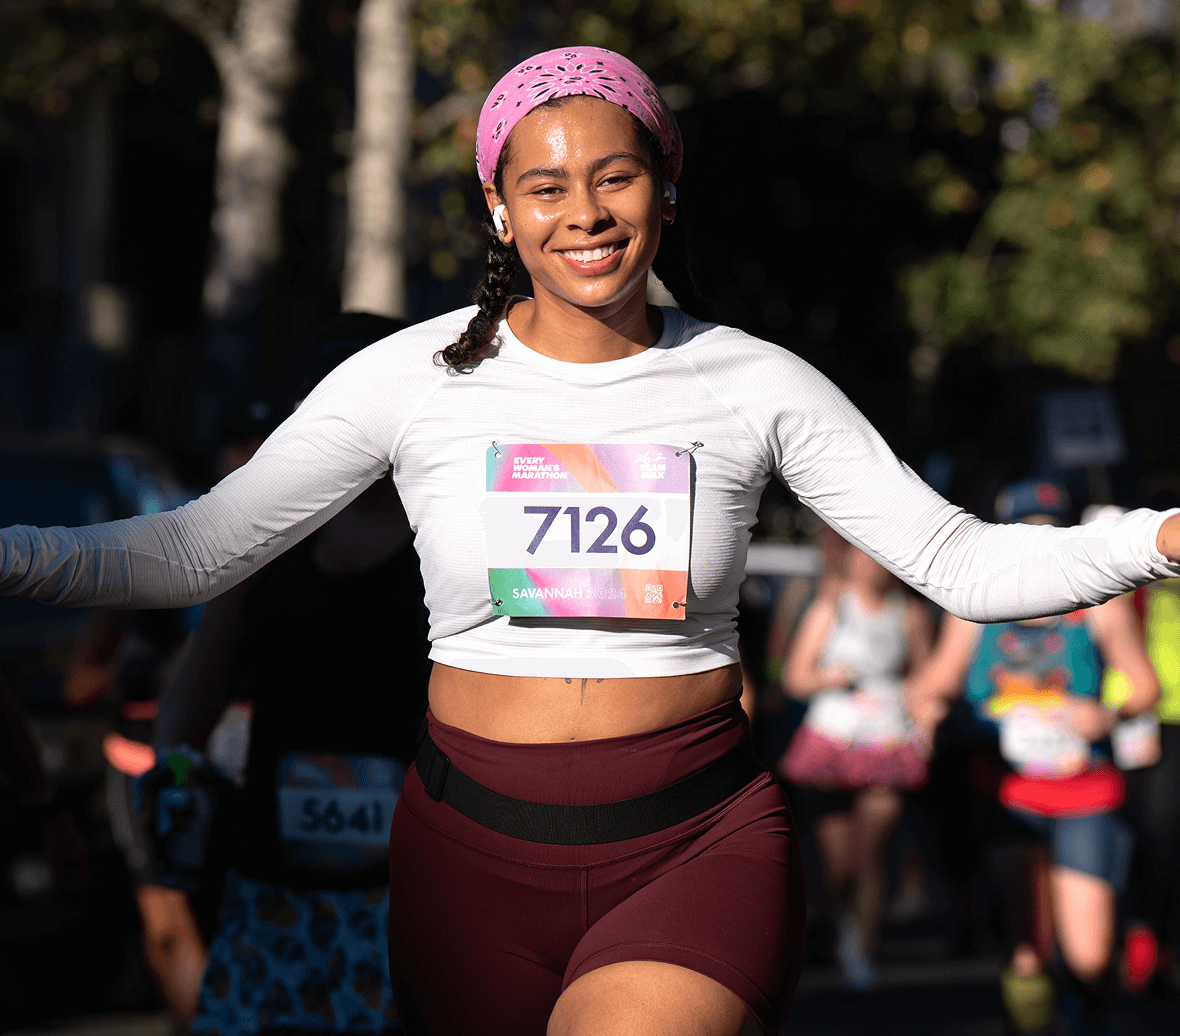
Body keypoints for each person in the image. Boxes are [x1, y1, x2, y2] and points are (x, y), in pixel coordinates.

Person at [5, 46, 1180, 1036]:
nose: (584, 214)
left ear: (666, 190)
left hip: (690, 846)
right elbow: (197, 551)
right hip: (466, 860)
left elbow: (963, 563)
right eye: (546, 185)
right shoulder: (408, 379)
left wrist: (1159, 539)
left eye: (614, 178)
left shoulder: (752, 381)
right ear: (499, 209)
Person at [907, 480, 1161, 1036]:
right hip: (1007, 789)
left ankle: (1091, 1002)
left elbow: (1144, 685)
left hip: (1084, 790)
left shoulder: (1100, 604)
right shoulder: (977, 602)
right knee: (1027, 948)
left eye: (1051, 530)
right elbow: (935, 681)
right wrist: (925, 707)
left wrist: (1107, 716)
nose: (1039, 542)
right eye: (1028, 530)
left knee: (1089, 955)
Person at [782, 542, 932, 989]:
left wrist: (924, 724)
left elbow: (923, 679)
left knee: (871, 854)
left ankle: (860, 947)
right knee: (837, 864)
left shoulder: (910, 614)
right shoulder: (830, 609)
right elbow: (794, 676)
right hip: (834, 739)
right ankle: (837, 920)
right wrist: (833, 677)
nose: (869, 565)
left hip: (886, 739)